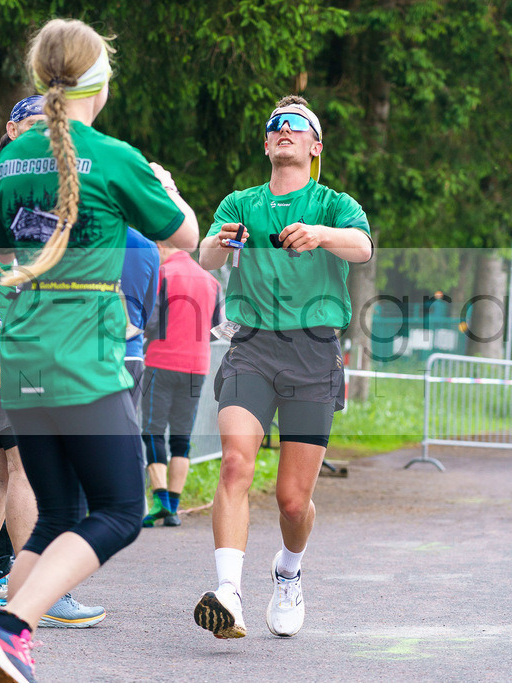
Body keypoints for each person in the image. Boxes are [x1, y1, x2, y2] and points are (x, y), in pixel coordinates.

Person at [0, 19, 198, 683]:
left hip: (27, 356)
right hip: (83, 359)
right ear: (100, 79)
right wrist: (168, 187)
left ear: (42, 78)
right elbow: (186, 235)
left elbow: (4, 259)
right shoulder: (115, 157)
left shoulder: (8, 162)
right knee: (122, 510)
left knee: (57, 514)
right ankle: (6, 627)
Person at [193, 96, 372, 640]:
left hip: (314, 352)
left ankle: (288, 572)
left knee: (294, 501)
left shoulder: (333, 203)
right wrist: (220, 241)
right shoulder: (242, 202)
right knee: (234, 465)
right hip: (251, 346)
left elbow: (363, 247)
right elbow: (205, 255)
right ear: (267, 143)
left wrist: (320, 235)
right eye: (276, 126)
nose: (285, 131)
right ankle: (229, 593)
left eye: (298, 126)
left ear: (315, 147)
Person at [0, 96, 105, 630]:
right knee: (24, 468)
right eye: (34, 124)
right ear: (11, 128)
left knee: (3, 467)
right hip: (9, 342)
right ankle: (37, 587)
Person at [140, 243, 221, 528]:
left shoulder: (162, 274)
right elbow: (216, 328)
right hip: (196, 367)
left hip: (161, 363)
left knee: (152, 431)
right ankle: (173, 508)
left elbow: (150, 323)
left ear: (163, 246)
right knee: (181, 437)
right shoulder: (211, 280)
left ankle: (161, 499)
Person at [122, 227, 160, 411]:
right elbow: (147, 307)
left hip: (77, 351)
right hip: (129, 350)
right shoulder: (147, 246)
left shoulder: (70, 235)